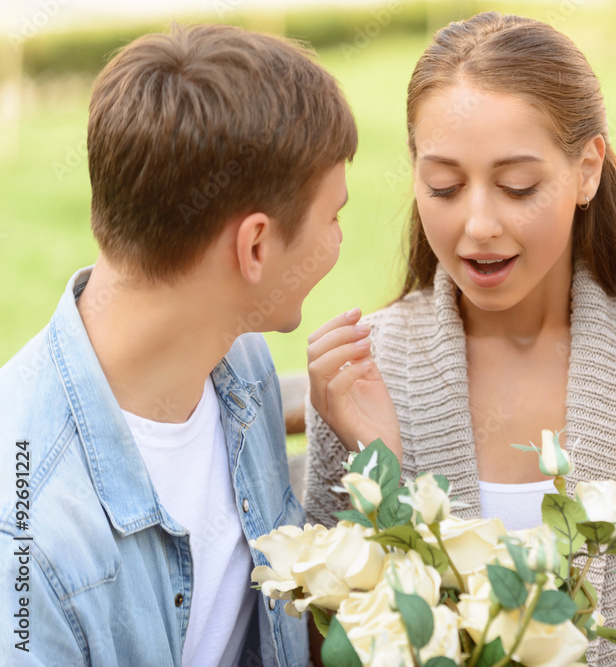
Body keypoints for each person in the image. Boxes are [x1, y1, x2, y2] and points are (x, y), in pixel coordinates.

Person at [303, 12, 616, 667]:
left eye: (518, 185)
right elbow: (323, 643)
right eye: (444, 186)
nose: (478, 224)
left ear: (587, 169)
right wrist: (384, 472)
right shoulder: (366, 372)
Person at [0, 23, 355, 666]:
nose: (337, 241)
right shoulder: (23, 530)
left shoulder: (237, 363)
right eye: (333, 216)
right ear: (253, 247)